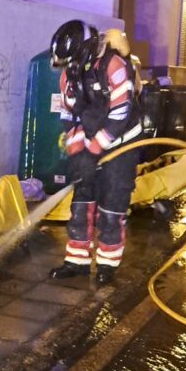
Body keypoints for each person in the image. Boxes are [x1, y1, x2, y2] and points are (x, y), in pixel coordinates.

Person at [48, 20, 142, 285]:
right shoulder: (69, 75)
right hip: (91, 141)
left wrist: (94, 151)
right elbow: (68, 115)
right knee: (81, 202)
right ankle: (76, 261)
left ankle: (107, 265)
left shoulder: (113, 66)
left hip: (122, 142)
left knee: (111, 203)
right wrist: (78, 153)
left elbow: (120, 113)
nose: (68, 68)